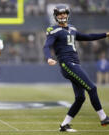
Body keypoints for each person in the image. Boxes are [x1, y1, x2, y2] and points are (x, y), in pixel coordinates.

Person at [43, 4, 109, 132]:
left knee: (80, 98)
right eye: (59, 14)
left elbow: (88, 37)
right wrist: (48, 57)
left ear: (68, 14)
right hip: (67, 63)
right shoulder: (53, 30)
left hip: (75, 63)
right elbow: (46, 46)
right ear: (56, 16)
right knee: (92, 88)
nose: (62, 16)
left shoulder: (72, 28)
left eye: (64, 13)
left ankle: (64, 125)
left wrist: (105, 34)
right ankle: (103, 117)